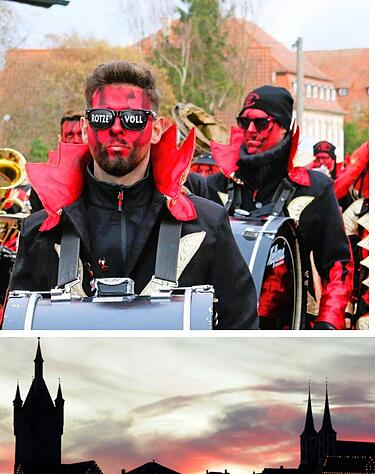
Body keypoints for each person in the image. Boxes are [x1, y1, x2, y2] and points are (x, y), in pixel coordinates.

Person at [9, 61, 258, 329]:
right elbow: (18, 337)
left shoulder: (207, 224)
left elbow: (241, 332)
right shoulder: (39, 233)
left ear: (157, 129)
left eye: (134, 118)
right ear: (84, 128)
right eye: (103, 117)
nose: (117, 128)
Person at [208, 85, 352, 330]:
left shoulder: (315, 189)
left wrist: (328, 323)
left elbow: (338, 265)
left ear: (284, 127)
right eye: (244, 122)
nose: (250, 130)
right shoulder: (216, 185)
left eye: (261, 123)